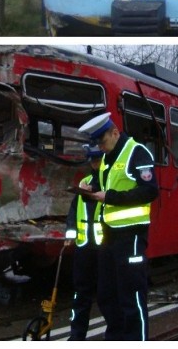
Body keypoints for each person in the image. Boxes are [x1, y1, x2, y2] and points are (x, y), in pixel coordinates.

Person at [78, 112, 158, 341]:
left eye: (102, 141)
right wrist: (88, 191)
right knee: (106, 295)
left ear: (115, 132)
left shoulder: (137, 152)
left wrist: (109, 197)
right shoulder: (106, 159)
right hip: (110, 236)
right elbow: (102, 190)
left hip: (131, 236)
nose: (100, 148)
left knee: (131, 296)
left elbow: (150, 190)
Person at [65, 144, 105, 341]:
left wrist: (94, 192)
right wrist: (70, 234)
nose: (94, 163)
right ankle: (76, 337)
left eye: (98, 159)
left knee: (107, 296)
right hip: (84, 248)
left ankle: (116, 337)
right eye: (92, 159)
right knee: (81, 295)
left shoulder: (109, 182)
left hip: (104, 249)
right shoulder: (84, 181)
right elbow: (74, 211)